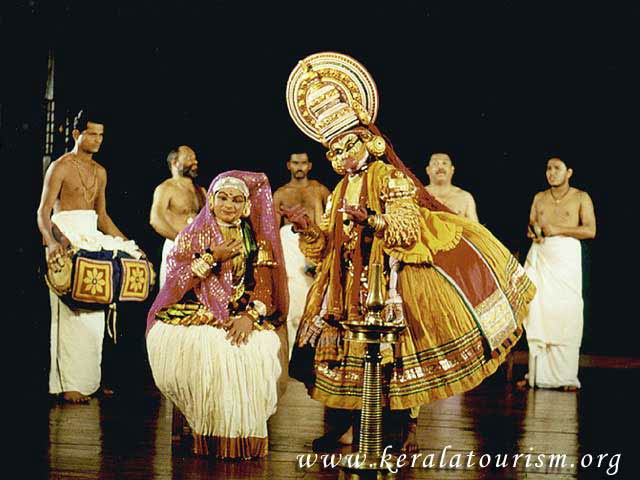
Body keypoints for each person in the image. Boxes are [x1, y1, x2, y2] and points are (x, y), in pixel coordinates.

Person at [283, 52, 536, 452]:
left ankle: (405, 431)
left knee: (399, 354)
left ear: (368, 141)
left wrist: (371, 221)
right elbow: (325, 247)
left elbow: (406, 230)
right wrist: (308, 230)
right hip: (347, 282)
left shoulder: (389, 177)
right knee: (351, 356)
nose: (341, 155)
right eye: (333, 150)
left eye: (347, 145)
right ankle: (351, 427)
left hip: (391, 277)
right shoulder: (340, 189)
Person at [146, 171, 289, 459]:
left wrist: (249, 317)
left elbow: (264, 288)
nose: (229, 205)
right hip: (198, 310)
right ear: (211, 201)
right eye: (223, 198)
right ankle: (209, 433)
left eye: (237, 200)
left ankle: (241, 437)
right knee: (211, 349)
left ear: (246, 206)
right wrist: (212, 257)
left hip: (242, 313)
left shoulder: (254, 239)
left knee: (259, 349)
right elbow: (176, 282)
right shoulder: (192, 234)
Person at [37, 108, 147, 404]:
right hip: (65, 236)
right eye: (92, 134)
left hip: (91, 237)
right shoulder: (60, 167)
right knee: (70, 315)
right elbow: (43, 212)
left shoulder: (100, 172)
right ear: (77, 134)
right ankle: (67, 385)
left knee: (96, 311)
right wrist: (51, 243)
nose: (98, 140)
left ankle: (89, 382)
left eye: (101, 135)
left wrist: (129, 244)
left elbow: (102, 216)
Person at [518, 157, 596, 391]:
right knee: (539, 311)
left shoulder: (580, 197)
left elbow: (590, 230)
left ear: (569, 172)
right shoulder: (539, 197)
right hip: (542, 255)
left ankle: (566, 377)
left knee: (566, 313)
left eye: (557, 168)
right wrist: (535, 232)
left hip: (566, 258)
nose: (551, 173)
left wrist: (558, 229)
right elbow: (531, 225)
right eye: (548, 168)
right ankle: (535, 376)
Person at [273, 152, 330, 357]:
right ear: (289, 165)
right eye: (296, 163)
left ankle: (317, 357)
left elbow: (330, 222)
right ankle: (291, 357)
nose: (299, 167)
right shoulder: (280, 194)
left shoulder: (319, 190)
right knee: (293, 302)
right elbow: (272, 232)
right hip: (290, 250)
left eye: (303, 163)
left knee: (317, 300)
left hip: (316, 247)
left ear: (309, 165)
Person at [149, 146, 207, 287]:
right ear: (175, 162)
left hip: (200, 252)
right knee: (172, 294)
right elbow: (156, 220)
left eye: (195, 158)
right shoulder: (165, 188)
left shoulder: (202, 191)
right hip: (176, 247)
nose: (195, 162)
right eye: (189, 158)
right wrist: (180, 241)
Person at [425, 152, 479, 221]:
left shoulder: (465, 198)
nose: (440, 167)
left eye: (444, 163)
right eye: (435, 163)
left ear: (452, 169)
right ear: (428, 170)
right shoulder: (417, 195)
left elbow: (474, 227)